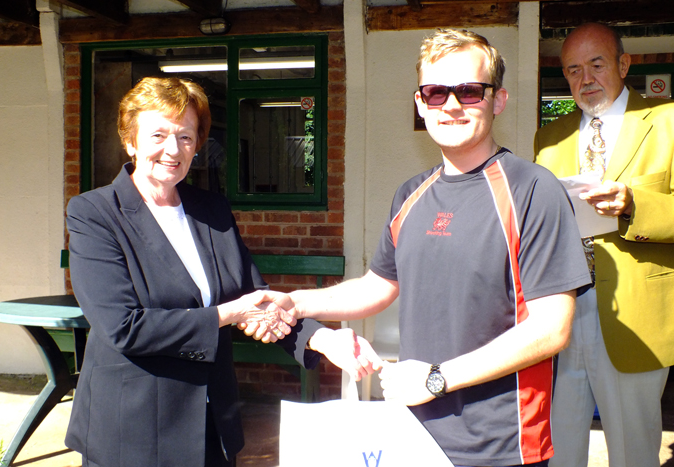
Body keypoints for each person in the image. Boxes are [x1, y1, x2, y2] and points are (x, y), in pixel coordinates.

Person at [264, 29, 592, 467]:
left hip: (500, 445)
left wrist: (438, 379)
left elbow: (552, 329)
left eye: (469, 91)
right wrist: (295, 301)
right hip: (413, 433)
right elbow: (376, 287)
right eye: (436, 93)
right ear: (421, 105)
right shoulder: (411, 194)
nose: (452, 105)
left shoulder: (533, 190)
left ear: (498, 100)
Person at [64, 77, 370, 467]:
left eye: (186, 137)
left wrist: (323, 340)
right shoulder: (94, 213)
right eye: (158, 134)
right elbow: (124, 326)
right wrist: (230, 314)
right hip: (133, 431)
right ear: (130, 140)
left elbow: (254, 296)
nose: (173, 149)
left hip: (212, 424)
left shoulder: (211, 210)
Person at [534, 23, 674, 467]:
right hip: (560, 309)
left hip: (635, 311)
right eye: (573, 69)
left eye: (596, 64)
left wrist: (634, 204)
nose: (585, 78)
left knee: (634, 453)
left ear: (624, 63)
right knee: (559, 448)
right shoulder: (548, 137)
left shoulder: (668, 120)